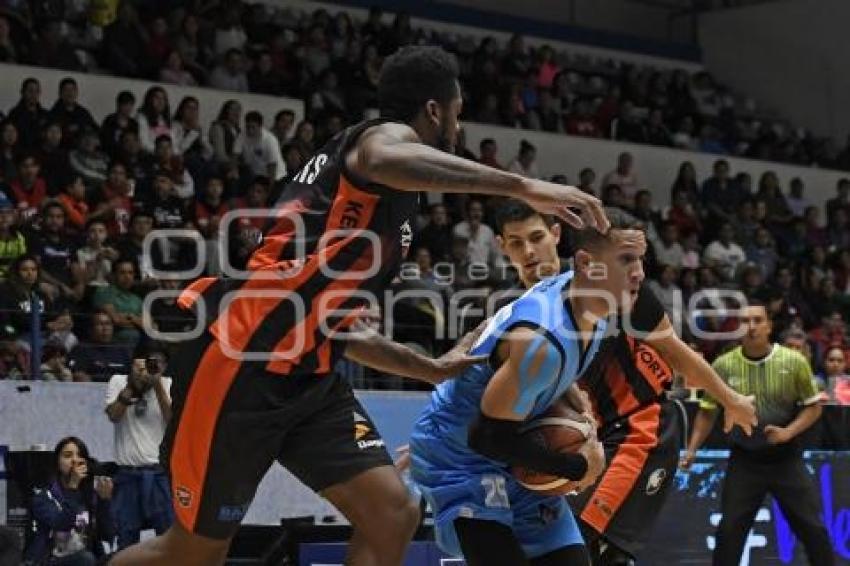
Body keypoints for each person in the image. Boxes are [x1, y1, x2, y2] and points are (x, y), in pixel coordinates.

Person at [111, 45, 608, 566]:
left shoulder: (381, 204)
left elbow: (340, 329)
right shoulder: (378, 142)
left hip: (311, 377)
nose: (458, 128)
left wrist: (429, 367)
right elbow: (383, 155)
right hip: (240, 367)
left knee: (392, 512)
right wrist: (525, 186)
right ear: (435, 111)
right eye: (457, 114)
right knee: (192, 554)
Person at [411, 202, 755, 566]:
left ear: (557, 237)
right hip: (511, 444)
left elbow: (677, 352)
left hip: (636, 424)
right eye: (515, 243)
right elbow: (485, 365)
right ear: (502, 247)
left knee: (596, 548)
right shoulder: (535, 314)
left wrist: (729, 398)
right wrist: (440, 419)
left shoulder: (611, 294)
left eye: (536, 237)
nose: (528, 252)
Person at [681, 302, 834, 566]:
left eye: (757, 320)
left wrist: (788, 432)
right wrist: (692, 449)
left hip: (786, 459)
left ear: (768, 326)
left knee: (814, 530)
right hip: (745, 460)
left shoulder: (794, 361)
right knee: (729, 532)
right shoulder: (723, 365)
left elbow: (813, 407)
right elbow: (707, 411)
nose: (751, 327)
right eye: (744, 321)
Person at [105, 346, 175, 549]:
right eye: (140, 366)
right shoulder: (119, 381)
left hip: (158, 474)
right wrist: (131, 387)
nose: (146, 371)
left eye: (153, 366)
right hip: (127, 474)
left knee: (167, 536)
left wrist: (158, 385)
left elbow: (172, 421)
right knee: (126, 537)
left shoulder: (169, 384)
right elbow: (113, 415)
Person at [25, 437, 114, 565]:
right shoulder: (43, 497)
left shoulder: (89, 496)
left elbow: (108, 535)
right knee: (85, 559)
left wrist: (105, 502)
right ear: (57, 462)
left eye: (79, 456)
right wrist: (73, 487)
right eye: (68, 456)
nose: (74, 460)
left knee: (123, 557)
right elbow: (61, 524)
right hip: (51, 560)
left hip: (87, 558)